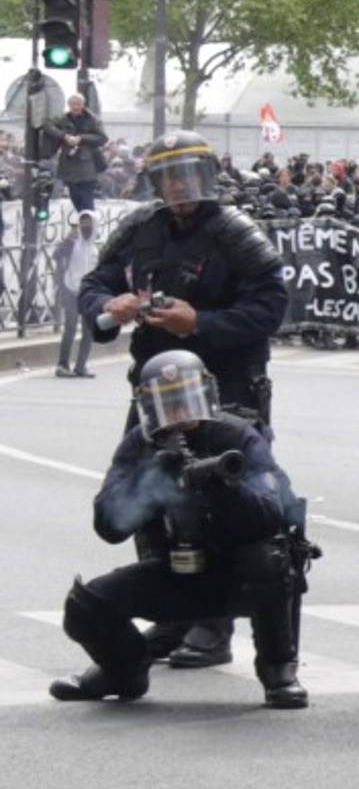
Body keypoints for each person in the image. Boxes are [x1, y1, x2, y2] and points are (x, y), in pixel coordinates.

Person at [77, 130, 289, 670]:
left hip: (225, 390)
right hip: (154, 388)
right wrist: (112, 306)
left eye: (187, 174)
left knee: (219, 501)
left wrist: (201, 323)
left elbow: (270, 307)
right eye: (167, 175)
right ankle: (168, 611)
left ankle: (213, 624)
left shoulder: (235, 232)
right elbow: (93, 286)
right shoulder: (139, 227)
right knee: (149, 500)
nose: (178, 186)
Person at [49, 350, 314, 709]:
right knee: (85, 607)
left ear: (206, 396)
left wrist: (221, 487)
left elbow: (271, 512)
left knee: (267, 557)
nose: (178, 414)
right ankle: (124, 670)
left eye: (187, 400)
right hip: (178, 569)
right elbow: (109, 526)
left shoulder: (238, 436)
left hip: (239, 572)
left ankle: (278, 669)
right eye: (166, 404)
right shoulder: (139, 444)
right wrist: (150, 478)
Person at [53, 211, 99, 378]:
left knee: (88, 331)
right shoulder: (72, 244)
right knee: (70, 328)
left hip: (87, 294)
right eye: (83, 223)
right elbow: (56, 255)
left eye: (89, 224)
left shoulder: (94, 249)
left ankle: (81, 366)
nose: (86, 227)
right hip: (70, 290)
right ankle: (62, 365)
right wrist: (66, 241)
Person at [43, 94, 108, 211]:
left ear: (83, 105)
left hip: (87, 165)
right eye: (73, 104)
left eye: (78, 104)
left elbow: (102, 138)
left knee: (87, 200)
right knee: (75, 197)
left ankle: (89, 224)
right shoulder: (63, 119)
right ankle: (83, 221)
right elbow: (47, 126)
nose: (75, 107)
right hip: (69, 165)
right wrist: (65, 136)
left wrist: (81, 138)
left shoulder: (93, 120)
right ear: (69, 105)